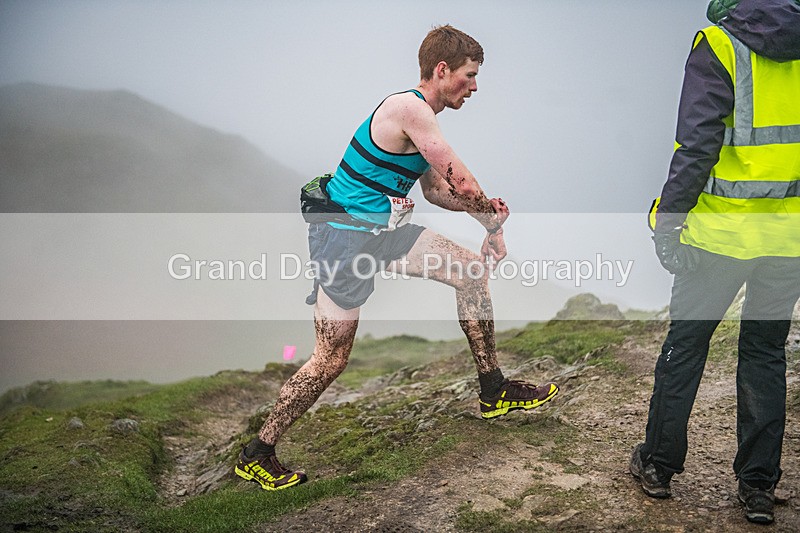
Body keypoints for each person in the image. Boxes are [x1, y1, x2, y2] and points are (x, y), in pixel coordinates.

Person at [234, 25, 559, 491]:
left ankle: (494, 390)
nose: (475, 87)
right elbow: (464, 185)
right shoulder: (409, 108)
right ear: (442, 69)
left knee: (470, 273)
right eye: (469, 76)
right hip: (343, 240)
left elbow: (438, 191)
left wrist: (485, 216)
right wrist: (491, 223)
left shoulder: (423, 121)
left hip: (385, 235)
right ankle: (257, 453)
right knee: (330, 359)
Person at [630, 0, 800, 525]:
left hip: (718, 235)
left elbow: (697, 145)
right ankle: (756, 487)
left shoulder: (719, 45)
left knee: (686, 346)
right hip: (788, 237)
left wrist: (668, 220)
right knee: (766, 354)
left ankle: (658, 466)